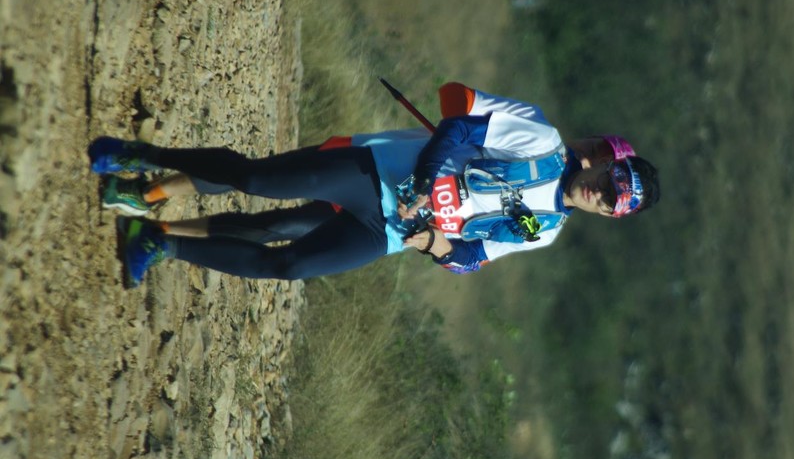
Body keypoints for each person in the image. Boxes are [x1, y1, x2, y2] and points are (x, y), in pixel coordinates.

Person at [88, 82, 660, 287]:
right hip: (373, 172)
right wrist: (426, 179)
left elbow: (471, 258)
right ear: (605, 167)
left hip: (386, 231)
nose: (603, 193)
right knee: (256, 179)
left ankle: (157, 242)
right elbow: (460, 128)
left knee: (287, 265)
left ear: (612, 216)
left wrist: (433, 244)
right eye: (613, 181)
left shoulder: (547, 231)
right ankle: (140, 157)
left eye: (615, 202)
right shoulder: (545, 143)